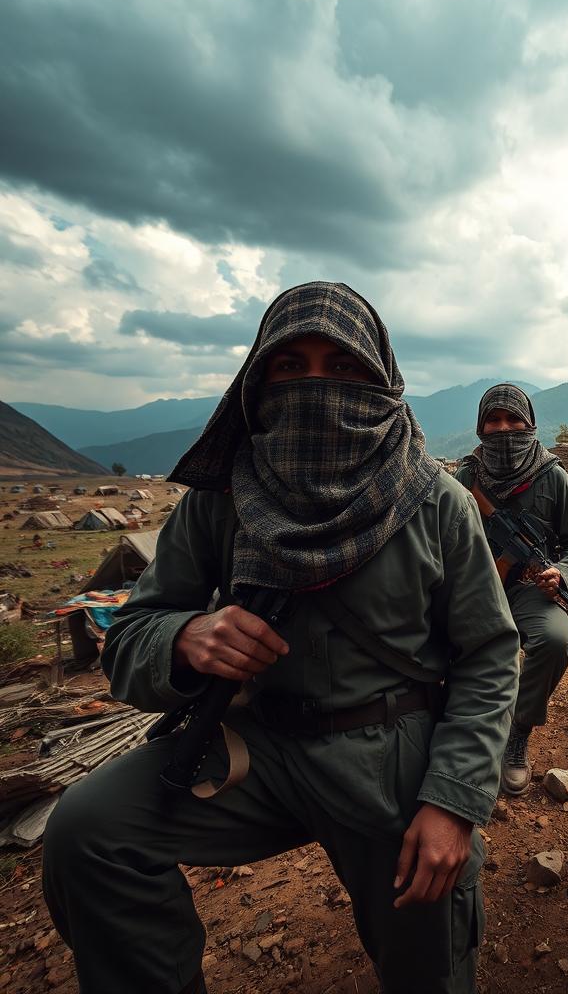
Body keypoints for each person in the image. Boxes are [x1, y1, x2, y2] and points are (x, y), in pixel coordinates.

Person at [42, 282, 521, 994]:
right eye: (289, 366)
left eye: (344, 366)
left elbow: (489, 655)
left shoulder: (435, 501)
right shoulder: (224, 497)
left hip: (391, 760)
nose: (315, 384)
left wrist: (453, 801)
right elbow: (131, 633)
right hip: (255, 748)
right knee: (89, 832)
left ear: (380, 379)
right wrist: (186, 638)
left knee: (428, 958)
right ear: (257, 378)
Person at [455, 384, 568, 796]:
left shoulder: (554, 477)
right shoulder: (467, 477)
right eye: (493, 420)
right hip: (474, 587)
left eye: (514, 419)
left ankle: (518, 731)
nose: (504, 429)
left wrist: (562, 574)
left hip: (532, 589)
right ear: (481, 427)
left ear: (530, 423)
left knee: (554, 640)